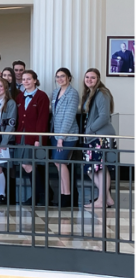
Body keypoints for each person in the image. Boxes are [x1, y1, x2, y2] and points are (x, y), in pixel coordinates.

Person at [16, 70, 52, 206]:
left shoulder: (42, 96)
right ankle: (45, 193)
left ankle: (39, 195)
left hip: (34, 137)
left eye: (29, 79)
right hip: (21, 135)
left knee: (28, 164)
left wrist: (39, 138)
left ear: (35, 80)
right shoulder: (19, 97)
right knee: (26, 165)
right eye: (24, 79)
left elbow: (43, 119)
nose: (26, 82)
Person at [50, 68, 80, 206]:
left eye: (63, 76)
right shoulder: (55, 92)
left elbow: (69, 117)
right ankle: (62, 193)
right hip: (56, 133)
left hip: (68, 135)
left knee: (61, 162)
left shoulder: (72, 93)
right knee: (58, 163)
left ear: (69, 77)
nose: (60, 79)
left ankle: (67, 195)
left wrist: (61, 137)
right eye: (58, 76)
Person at [0, 78, 19, 206]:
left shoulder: (10, 103)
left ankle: (1, 194)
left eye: (0, 86)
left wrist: (5, 141)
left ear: (6, 87)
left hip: (3, 137)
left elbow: (11, 124)